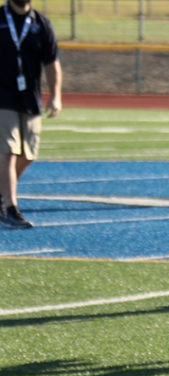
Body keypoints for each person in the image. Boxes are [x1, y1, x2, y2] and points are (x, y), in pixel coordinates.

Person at [0, 0, 60, 229]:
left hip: (30, 99)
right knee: (7, 152)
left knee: (28, 154)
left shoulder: (41, 24)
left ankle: (2, 194)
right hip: (3, 98)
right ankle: (11, 210)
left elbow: (52, 63)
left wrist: (55, 95)